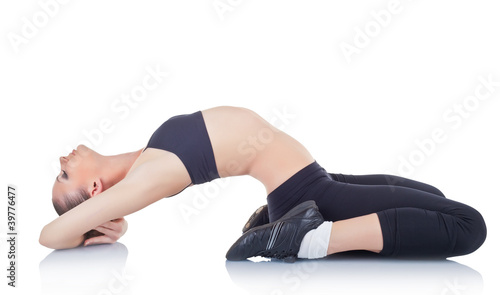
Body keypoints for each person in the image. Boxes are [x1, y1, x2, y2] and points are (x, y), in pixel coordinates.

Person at [40, 106, 487, 262]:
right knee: (469, 225)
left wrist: (112, 223)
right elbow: (48, 235)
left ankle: (287, 228)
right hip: (309, 194)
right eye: (65, 175)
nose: (63, 160)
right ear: (95, 191)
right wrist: (105, 222)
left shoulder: (145, 161)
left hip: (315, 182)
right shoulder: (147, 177)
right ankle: (309, 239)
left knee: (435, 201)